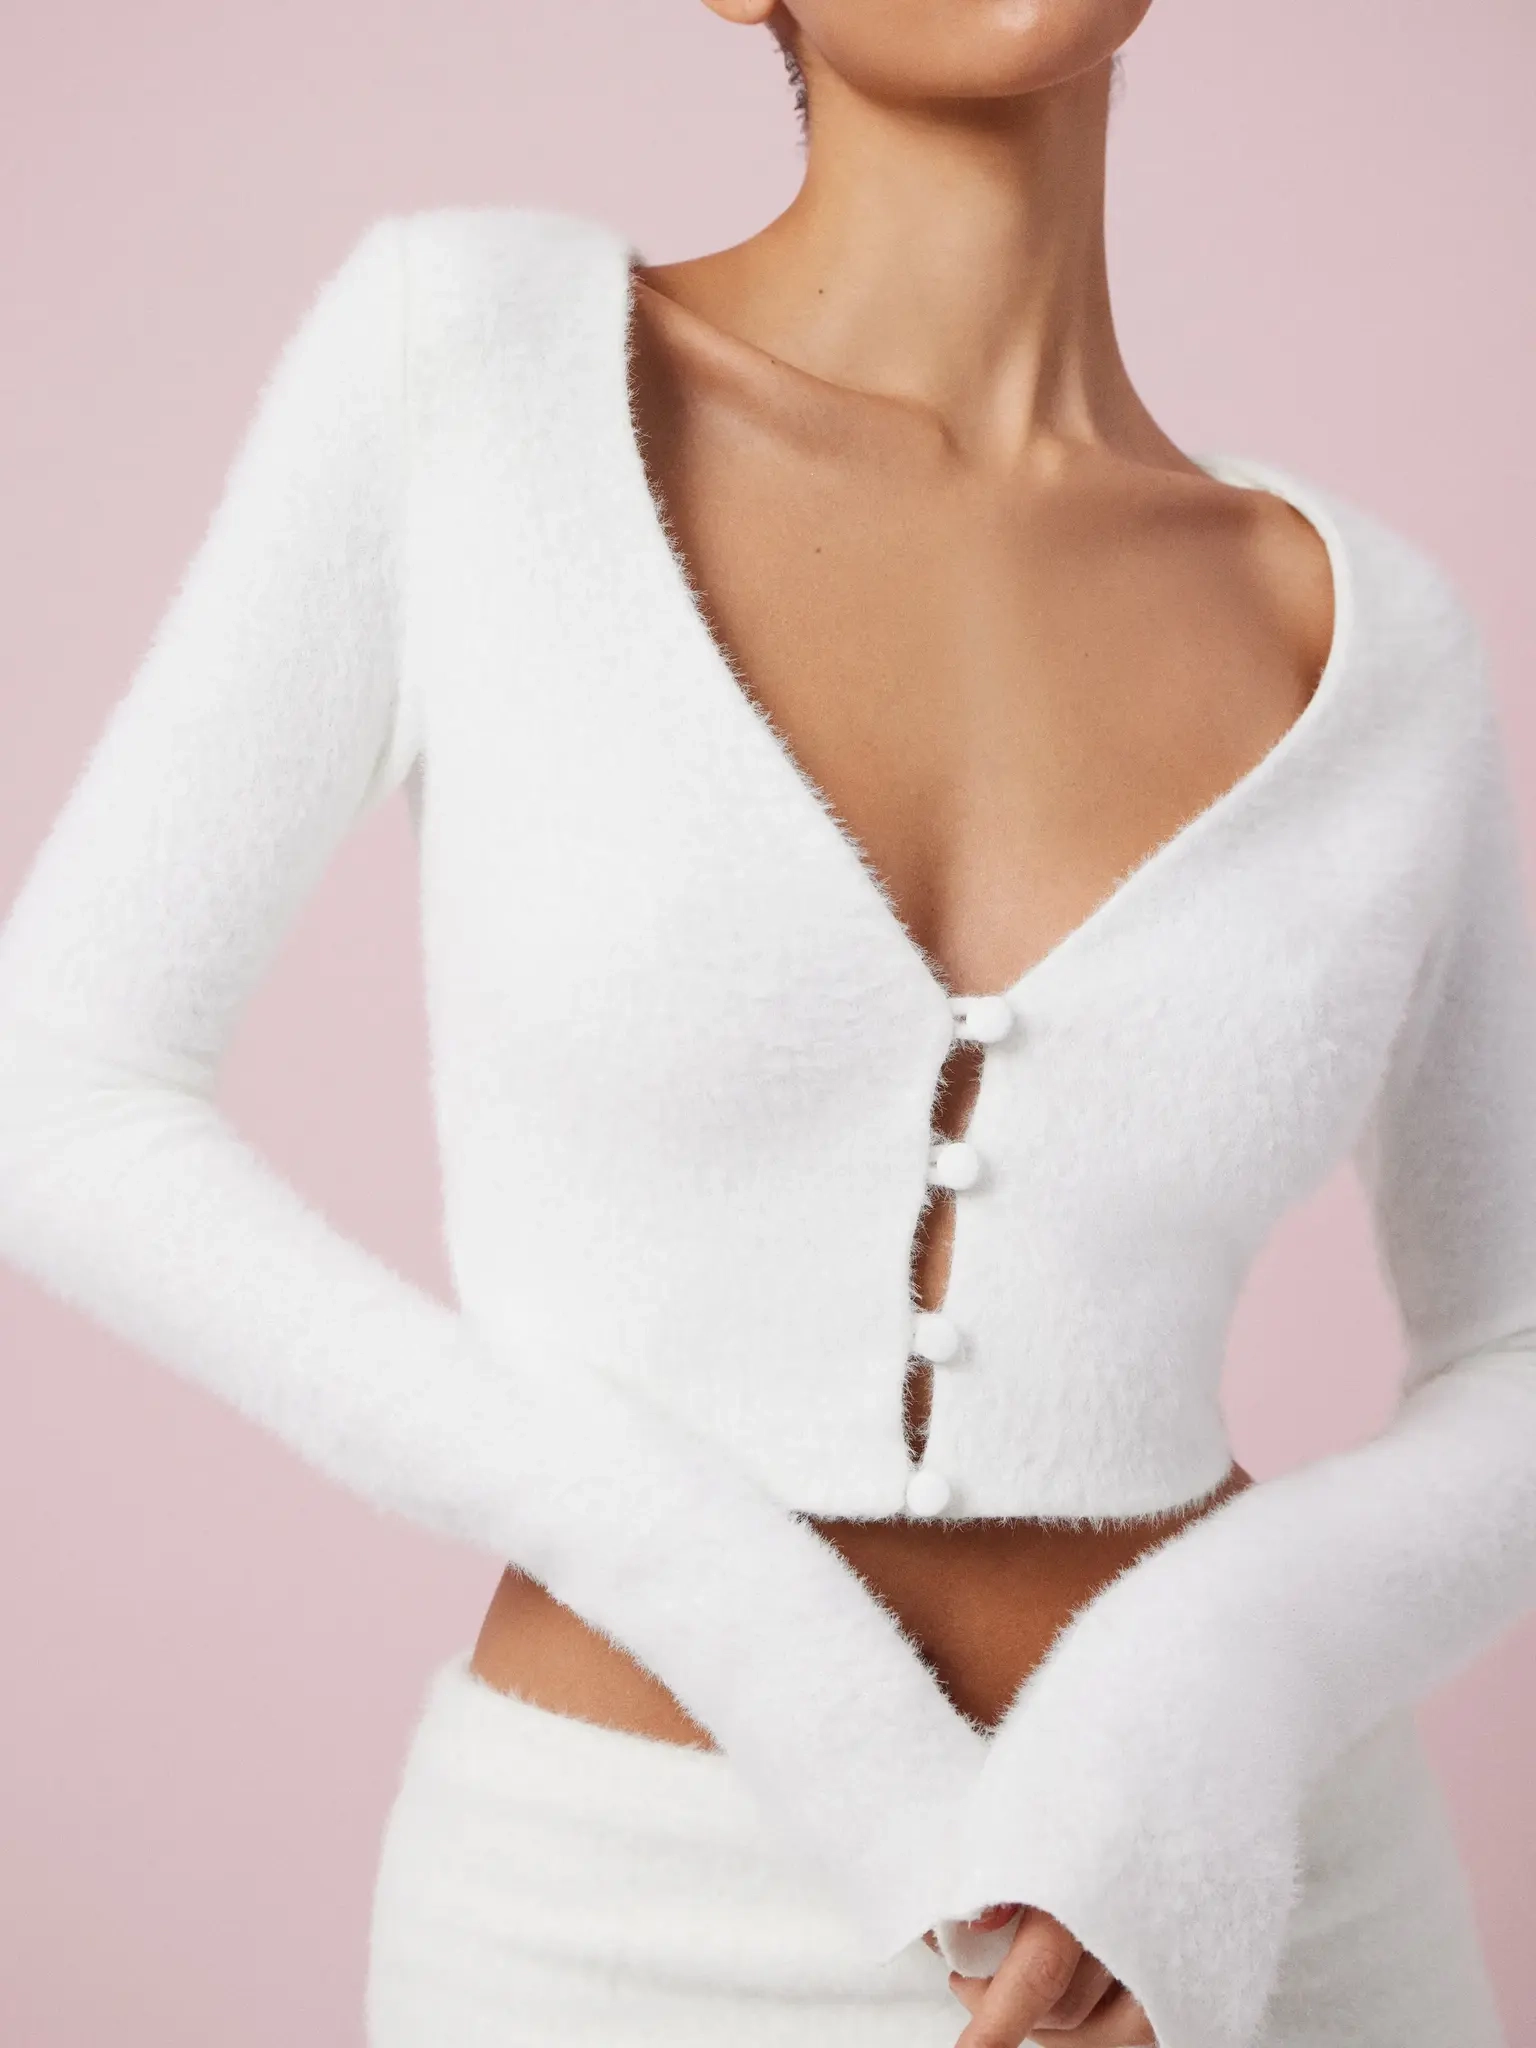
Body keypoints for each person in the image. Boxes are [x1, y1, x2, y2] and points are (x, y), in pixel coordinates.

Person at [0, 6, 1530, 2045]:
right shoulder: (469, 369)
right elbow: (59, 1089)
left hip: (1265, 1919)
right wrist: (693, 1574)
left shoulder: (1374, 638)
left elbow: (1519, 1351)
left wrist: (1209, 1704)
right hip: (618, 1928)